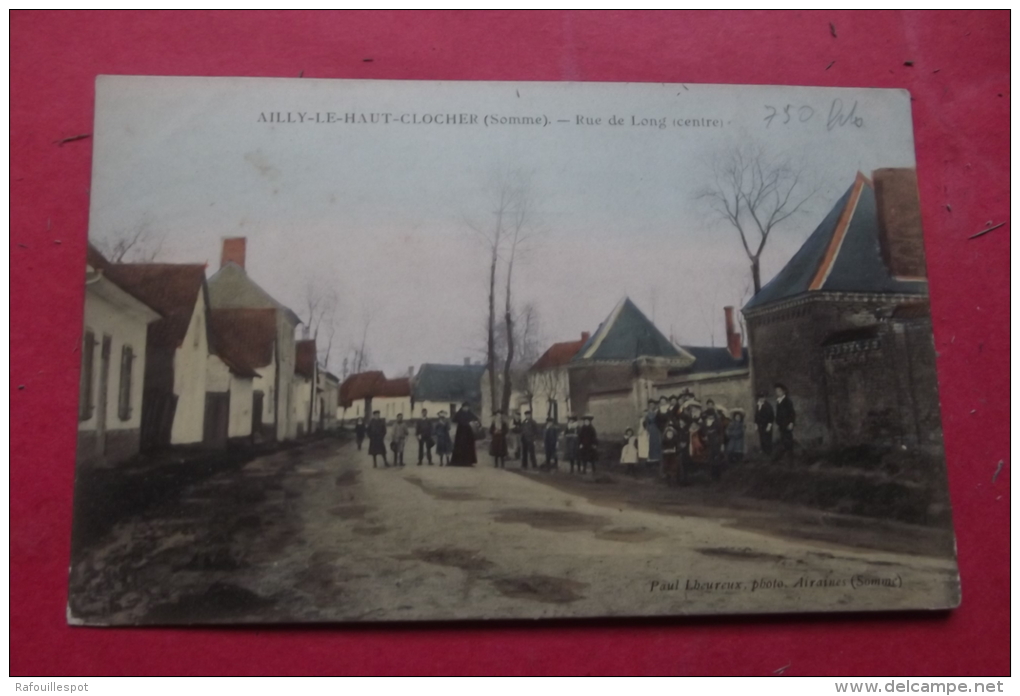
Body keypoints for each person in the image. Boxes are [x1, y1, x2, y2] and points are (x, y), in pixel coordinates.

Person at [449, 401, 480, 467]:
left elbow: (476, 419)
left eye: (467, 407)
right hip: (461, 432)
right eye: (465, 407)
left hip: (468, 432)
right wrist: (462, 422)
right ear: (462, 407)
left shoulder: (470, 413)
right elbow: (454, 420)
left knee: (469, 446)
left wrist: (473, 422)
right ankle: (458, 462)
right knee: (460, 445)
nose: (466, 408)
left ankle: (469, 461)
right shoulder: (459, 413)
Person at [774, 383, 796, 461]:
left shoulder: (787, 401)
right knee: (783, 441)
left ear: (783, 392)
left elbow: (792, 413)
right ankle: (782, 459)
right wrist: (777, 421)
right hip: (781, 425)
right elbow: (778, 413)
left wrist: (791, 423)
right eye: (776, 391)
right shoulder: (778, 401)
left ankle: (790, 460)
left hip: (787, 425)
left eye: (779, 391)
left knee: (788, 442)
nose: (777, 392)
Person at [703, 411, 725, 480]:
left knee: (716, 458)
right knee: (710, 458)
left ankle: (717, 475)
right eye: (709, 416)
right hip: (708, 443)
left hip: (716, 442)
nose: (710, 418)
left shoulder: (717, 423)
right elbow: (703, 431)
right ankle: (711, 475)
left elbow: (721, 433)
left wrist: (721, 443)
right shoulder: (705, 423)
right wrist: (705, 435)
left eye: (711, 416)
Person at [642, 400, 663, 472]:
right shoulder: (647, 414)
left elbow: (659, 421)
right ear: (648, 406)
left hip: (656, 428)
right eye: (650, 405)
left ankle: (657, 459)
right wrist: (647, 429)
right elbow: (646, 422)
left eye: (653, 405)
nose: (652, 406)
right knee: (650, 444)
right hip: (650, 429)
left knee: (656, 443)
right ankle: (650, 461)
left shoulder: (657, 413)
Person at [754, 391, 775, 456]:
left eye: (763, 397)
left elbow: (771, 416)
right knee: (762, 438)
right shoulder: (758, 405)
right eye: (760, 398)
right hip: (760, 425)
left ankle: (768, 452)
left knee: (767, 438)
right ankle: (763, 451)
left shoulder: (768, 406)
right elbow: (756, 415)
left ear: (765, 398)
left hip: (766, 425)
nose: (761, 399)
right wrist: (756, 424)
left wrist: (769, 425)